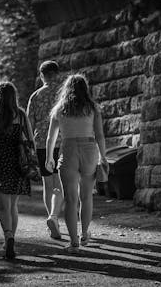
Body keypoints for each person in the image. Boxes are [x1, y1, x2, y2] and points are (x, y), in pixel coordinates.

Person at [45, 74, 107, 253]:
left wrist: (49, 157)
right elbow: (100, 135)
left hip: (68, 150)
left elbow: (51, 138)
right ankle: (85, 233)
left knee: (71, 200)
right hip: (89, 149)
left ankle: (73, 243)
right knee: (86, 197)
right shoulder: (92, 108)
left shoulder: (59, 109)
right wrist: (103, 156)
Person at [0, 81, 32, 259]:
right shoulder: (20, 115)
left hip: (0, 160)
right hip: (18, 162)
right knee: (13, 205)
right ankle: (11, 239)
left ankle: (8, 236)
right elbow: (30, 140)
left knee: (3, 206)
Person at [26, 60, 64, 239]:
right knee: (60, 184)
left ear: (41, 76)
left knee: (47, 184)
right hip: (63, 142)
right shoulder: (64, 94)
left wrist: (29, 147)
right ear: (57, 74)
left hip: (41, 143)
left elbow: (28, 124)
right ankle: (54, 216)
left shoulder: (35, 96)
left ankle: (51, 222)